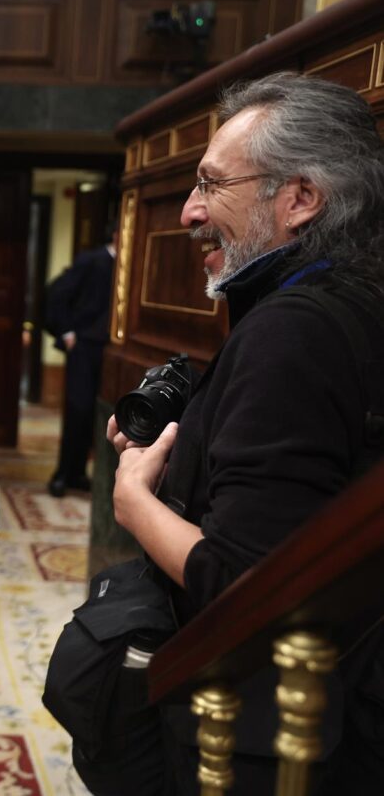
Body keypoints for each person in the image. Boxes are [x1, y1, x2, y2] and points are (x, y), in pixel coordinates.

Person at [107, 72, 384, 793]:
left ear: (299, 199)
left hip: (265, 734)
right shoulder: (343, 301)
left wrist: (137, 502)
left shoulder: (294, 331)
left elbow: (247, 581)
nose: (191, 211)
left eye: (212, 184)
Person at [44, 219, 117, 497]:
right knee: (78, 410)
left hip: (107, 350)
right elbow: (57, 292)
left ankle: (77, 474)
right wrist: (66, 331)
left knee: (97, 417)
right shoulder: (92, 260)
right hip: (85, 347)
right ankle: (62, 474)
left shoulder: (129, 265)